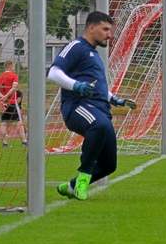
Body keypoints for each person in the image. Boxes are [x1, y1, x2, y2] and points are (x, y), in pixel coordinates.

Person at [48, 11, 134, 201]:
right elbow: (53, 73)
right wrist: (76, 86)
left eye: (109, 30)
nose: (109, 34)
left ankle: (70, 186)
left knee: (109, 165)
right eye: (105, 29)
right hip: (77, 106)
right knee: (100, 125)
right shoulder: (76, 46)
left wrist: (114, 99)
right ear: (92, 28)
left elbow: (95, 85)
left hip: (100, 109)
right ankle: (84, 176)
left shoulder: (93, 54)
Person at [0, 59, 26, 147]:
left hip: (4, 104)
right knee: (19, 122)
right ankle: (24, 141)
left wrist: (2, 97)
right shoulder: (14, 76)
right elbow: (14, 87)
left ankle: (4, 143)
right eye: (14, 67)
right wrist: (6, 96)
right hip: (12, 102)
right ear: (11, 66)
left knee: (4, 122)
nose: (14, 69)